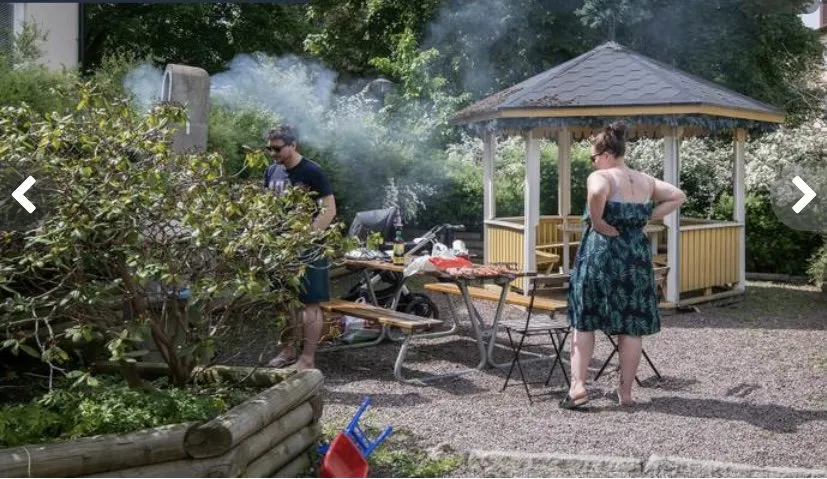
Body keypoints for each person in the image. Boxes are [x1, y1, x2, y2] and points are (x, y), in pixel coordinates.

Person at [561, 121, 685, 409]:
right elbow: (678, 196)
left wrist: (597, 221)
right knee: (631, 327)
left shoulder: (602, 176)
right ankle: (625, 393)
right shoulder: (644, 180)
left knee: (584, 321)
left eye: (593, 158)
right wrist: (645, 218)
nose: (593, 164)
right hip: (635, 257)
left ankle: (578, 388)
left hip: (602, 255)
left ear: (605, 154)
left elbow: (595, 193)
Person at [263, 125, 337, 371]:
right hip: (278, 248)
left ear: (293, 145)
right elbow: (266, 208)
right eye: (269, 148)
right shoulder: (271, 171)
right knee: (282, 301)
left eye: (277, 148)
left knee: (310, 304)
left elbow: (329, 210)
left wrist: (306, 238)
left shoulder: (312, 172)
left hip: (309, 249)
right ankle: (288, 349)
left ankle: (307, 360)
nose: (272, 153)